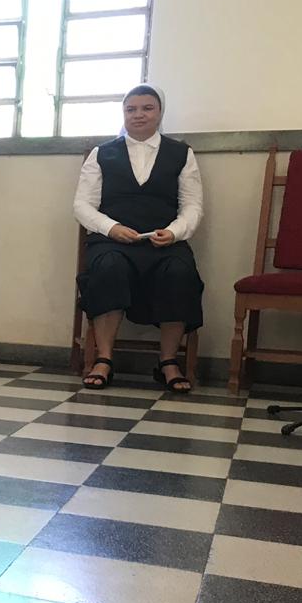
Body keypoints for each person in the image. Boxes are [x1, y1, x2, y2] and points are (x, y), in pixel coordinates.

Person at [74, 84, 204, 393]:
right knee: (108, 267)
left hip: (165, 243)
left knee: (180, 272)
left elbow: (192, 205)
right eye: (130, 109)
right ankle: (104, 359)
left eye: (147, 108)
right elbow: (82, 205)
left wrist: (174, 232)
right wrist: (111, 228)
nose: (138, 114)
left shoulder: (181, 153)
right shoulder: (102, 153)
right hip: (112, 242)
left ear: (160, 112)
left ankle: (168, 361)